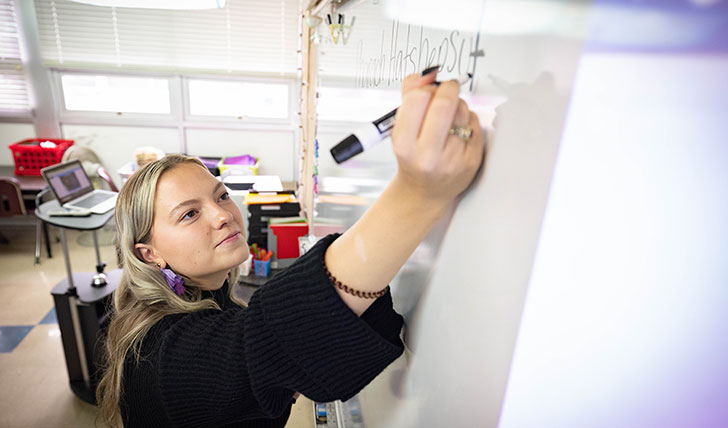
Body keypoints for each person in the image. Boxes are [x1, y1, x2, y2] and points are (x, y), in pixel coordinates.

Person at [96, 69, 484, 427]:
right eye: (189, 215)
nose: (222, 216)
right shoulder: (165, 352)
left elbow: (298, 363)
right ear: (150, 254)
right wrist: (419, 192)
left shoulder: (206, 299)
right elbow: (264, 337)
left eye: (221, 196)